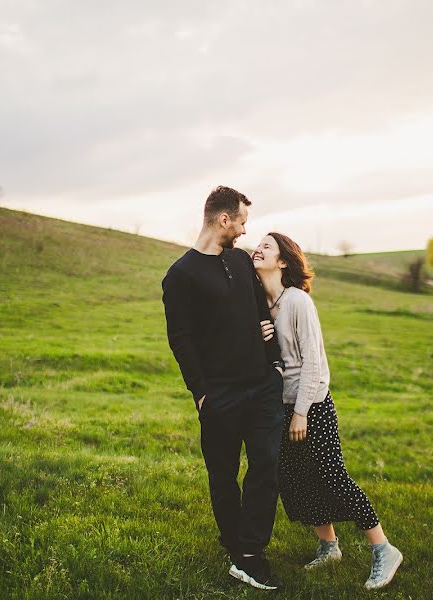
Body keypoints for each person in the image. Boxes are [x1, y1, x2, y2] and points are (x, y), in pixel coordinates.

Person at [253, 232, 403, 590]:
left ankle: (384, 549)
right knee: (298, 480)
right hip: (283, 406)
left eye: (267, 246)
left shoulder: (297, 302)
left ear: (284, 261)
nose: (257, 248)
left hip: (313, 405)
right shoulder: (263, 305)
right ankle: (329, 546)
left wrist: (302, 411)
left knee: (332, 476)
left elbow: (314, 364)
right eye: (257, 244)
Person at [161, 186, 286, 591]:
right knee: (223, 475)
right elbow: (181, 339)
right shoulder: (180, 276)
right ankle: (234, 542)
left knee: (266, 465)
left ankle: (250, 553)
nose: (246, 231)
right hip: (220, 395)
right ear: (224, 220)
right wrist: (200, 393)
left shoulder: (239, 261)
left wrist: (273, 358)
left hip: (263, 386)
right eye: (243, 222)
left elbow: (258, 310)